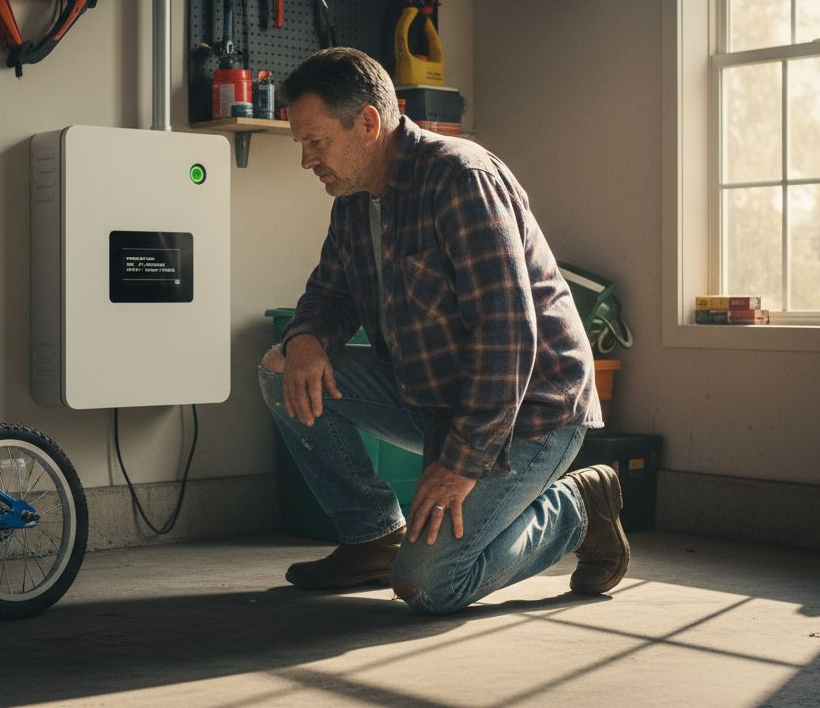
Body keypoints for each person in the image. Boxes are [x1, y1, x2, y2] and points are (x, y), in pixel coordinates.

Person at [257, 48, 630, 614]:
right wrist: (305, 338)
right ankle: (371, 536)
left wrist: (463, 461)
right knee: (280, 367)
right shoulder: (354, 199)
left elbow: (507, 336)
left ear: (368, 124)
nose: (307, 160)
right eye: (301, 144)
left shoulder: (461, 178)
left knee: (429, 585)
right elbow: (332, 292)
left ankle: (578, 509)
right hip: (433, 398)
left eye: (316, 142)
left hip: (528, 414)